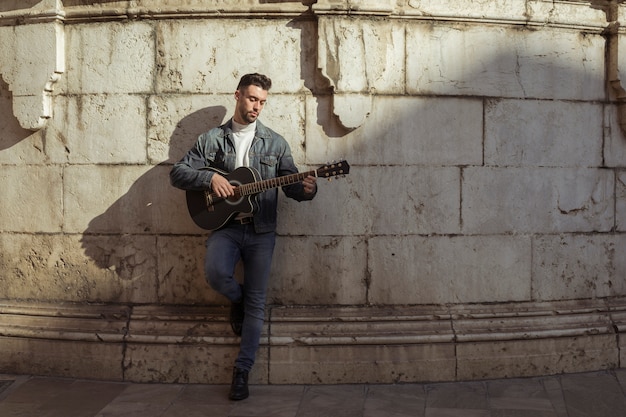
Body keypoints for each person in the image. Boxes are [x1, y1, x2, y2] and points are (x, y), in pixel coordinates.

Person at [169, 73, 317, 400]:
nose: (257, 107)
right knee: (216, 273)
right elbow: (177, 173)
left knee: (258, 303)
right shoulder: (211, 139)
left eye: (262, 102)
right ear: (237, 95)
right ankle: (237, 299)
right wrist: (209, 179)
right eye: (252, 99)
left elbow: (292, 185)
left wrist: (308, 189)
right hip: (225, 227)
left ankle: (242, 370)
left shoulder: (276, 143)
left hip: (261, 230)